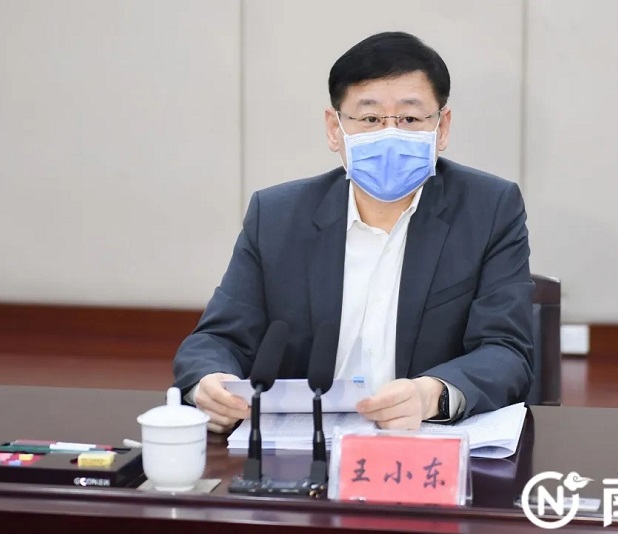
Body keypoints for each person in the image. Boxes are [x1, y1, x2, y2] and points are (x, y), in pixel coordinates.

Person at [173, 31, 534, 434]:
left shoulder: (488, 209)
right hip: (304, 445)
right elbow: (216, 339)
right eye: (370, 119)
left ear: (442, 127)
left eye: (410, 119)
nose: (390, 134)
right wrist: (209, 383)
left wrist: (431, 395)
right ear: (335, 128)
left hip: (425, 440)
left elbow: (506, 351)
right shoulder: (277, 216)